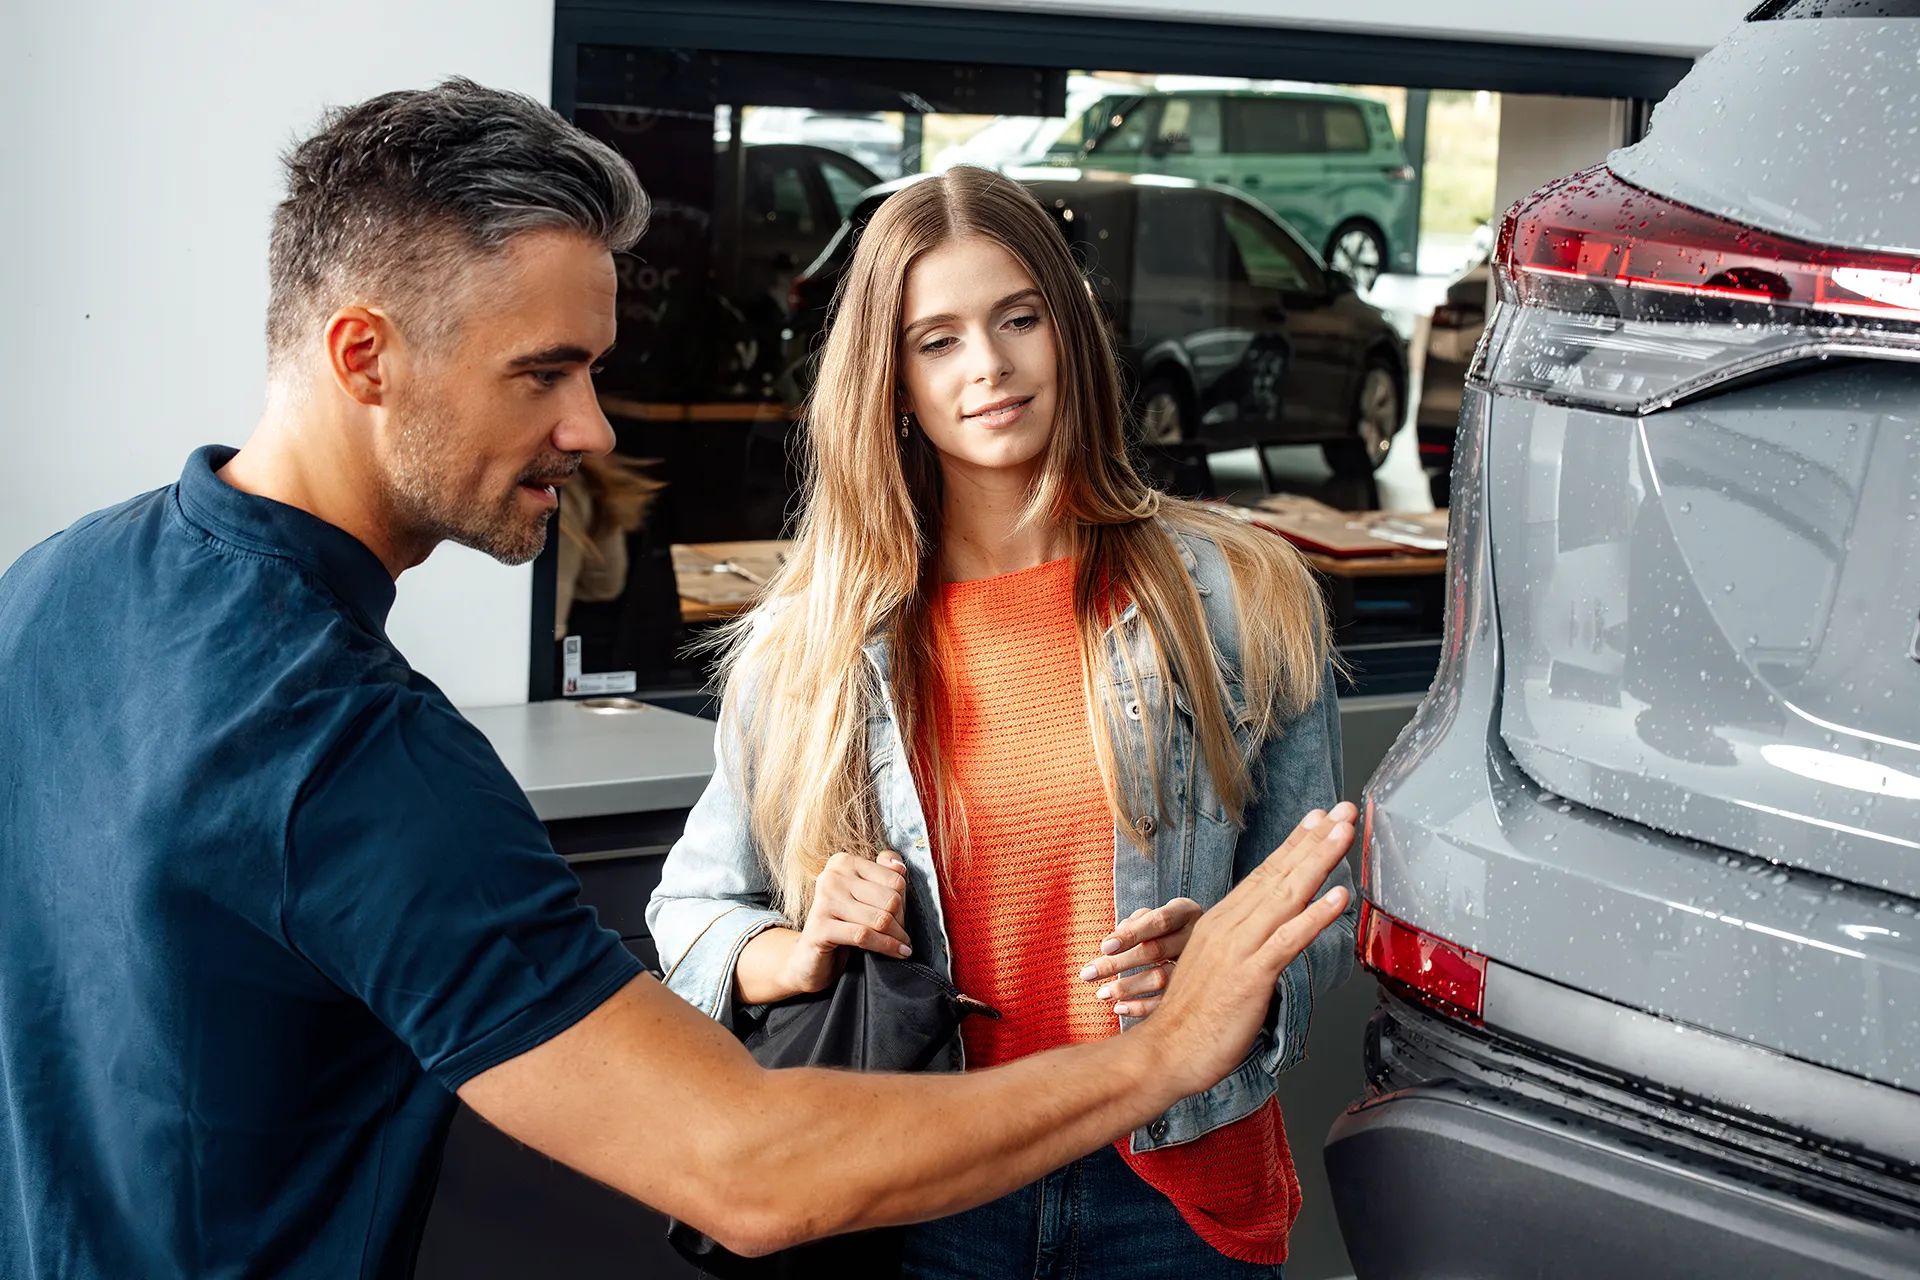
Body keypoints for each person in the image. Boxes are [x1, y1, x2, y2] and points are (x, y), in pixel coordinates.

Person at [0, 82, 1355, 1280]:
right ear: (365, 356)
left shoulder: (54, 584)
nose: (592, 426)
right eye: (547, 371)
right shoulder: (368, 764)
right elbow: (747, 1166)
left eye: (592, 367)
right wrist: (1155, 1055)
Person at [648, 166, 1357, 1278]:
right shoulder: (815, 641)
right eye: (937, 341)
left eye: (1019, 318)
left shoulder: (1239, 594)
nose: (988, 364)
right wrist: (800, 948)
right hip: (931, 1193)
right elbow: (691, 910)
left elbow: (1317, 908)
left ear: (1069, 331)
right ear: (892, 379)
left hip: (1177, 1189)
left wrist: (1230, 967)